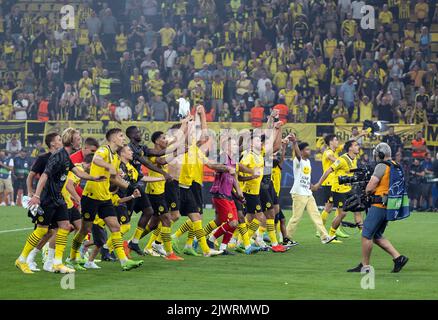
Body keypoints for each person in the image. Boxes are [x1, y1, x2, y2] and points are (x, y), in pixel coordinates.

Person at [16, 128, 104, 274]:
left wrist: (94, 178)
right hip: (47, 198)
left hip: (59, 199)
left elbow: (77, 172)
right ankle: (22, 259)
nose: (79, 140)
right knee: (42, 230)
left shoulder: (66, 156)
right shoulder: (57, 156)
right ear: (70, 139)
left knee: (65, 226)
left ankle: (57, 263)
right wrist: (36, 196)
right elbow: (44, 176)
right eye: (77, 137)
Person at [67, 128, 144, 271]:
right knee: (84, 230)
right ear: (113, 139)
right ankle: (72, 258)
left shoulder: (115, 157)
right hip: (91, 197)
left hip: (105, 198)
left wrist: (130, 187)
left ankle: (124, 262)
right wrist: (109, 166)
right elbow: (96, 159)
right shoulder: (104, 150)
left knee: (115, 227)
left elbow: (114, 178)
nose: (124, 139)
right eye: (121, 136)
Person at [347, 143, 409, 273]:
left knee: (366, 234)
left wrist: (366, 191)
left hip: (379, 205)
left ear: (380, 154)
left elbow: (372, 184)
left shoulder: (382, 165)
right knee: (376, 235)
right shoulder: (395, 165)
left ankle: (365, 266)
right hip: (389, 205)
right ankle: (399, 258)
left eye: (376, 153)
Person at [283, 134, 336, 245]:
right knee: (296, 217)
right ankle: (286, 238)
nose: (309, 151)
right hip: (298, 193)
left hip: (307, 192)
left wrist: (311, 185)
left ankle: (324, 237)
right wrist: (294, 142)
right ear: (301, 151)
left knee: (316, 215)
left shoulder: (308, 162)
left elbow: (305, 176)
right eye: (307, 149)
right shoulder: (298, 161)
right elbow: (297, 154)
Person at [313, 140, 363, 241]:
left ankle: (365, 235)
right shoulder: (342, 160)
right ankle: (331, 235)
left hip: (349, 189)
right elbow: (328, 170)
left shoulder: (355, 158)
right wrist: (318, 184)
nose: (358, 147)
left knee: (358, 210)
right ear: (350, 148)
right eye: (356, 145)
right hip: (339, 190)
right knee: (342, 214)